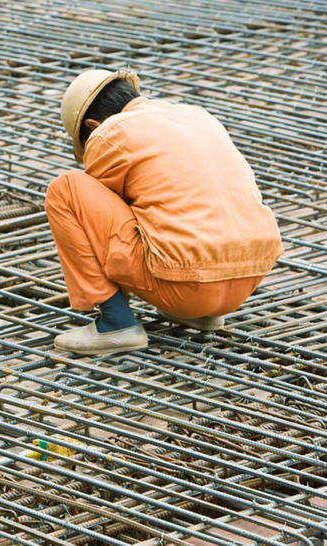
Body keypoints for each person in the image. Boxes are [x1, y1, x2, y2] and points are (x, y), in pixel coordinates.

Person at [46, 69, 283, 355]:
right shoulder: (199, 117)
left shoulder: (110, 133)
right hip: (247, 279)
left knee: (66, 190)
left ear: (92, 125)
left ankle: (116, 323)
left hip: (185, 286)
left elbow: (100, 217)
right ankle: (202, 315)